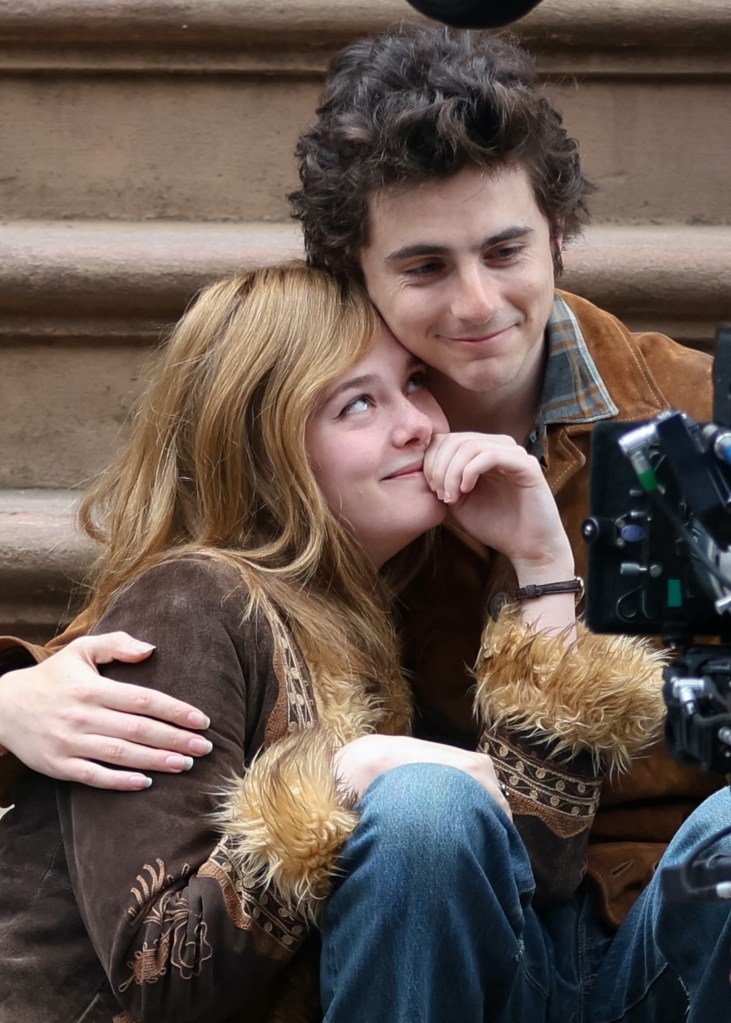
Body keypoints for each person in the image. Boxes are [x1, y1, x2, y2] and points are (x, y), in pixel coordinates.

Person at [0, 21, 728, 1020]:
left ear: (557, 234)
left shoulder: (688, 419)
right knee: (426, 812)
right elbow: (159, 638)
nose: (478, 304)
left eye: (506, 251)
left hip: (661, 913)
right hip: (433, 908)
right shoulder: (334, 460)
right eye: (424, 267)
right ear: (357, 270)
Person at [0, 260, 665, 1022]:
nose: (417, 421)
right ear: (265, 449)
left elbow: (535, 870)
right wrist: (341, 775)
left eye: (414, 382)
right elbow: (161, 979)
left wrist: (542, 566)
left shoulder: (357, 616)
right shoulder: (188, 603)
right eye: (358, 404)